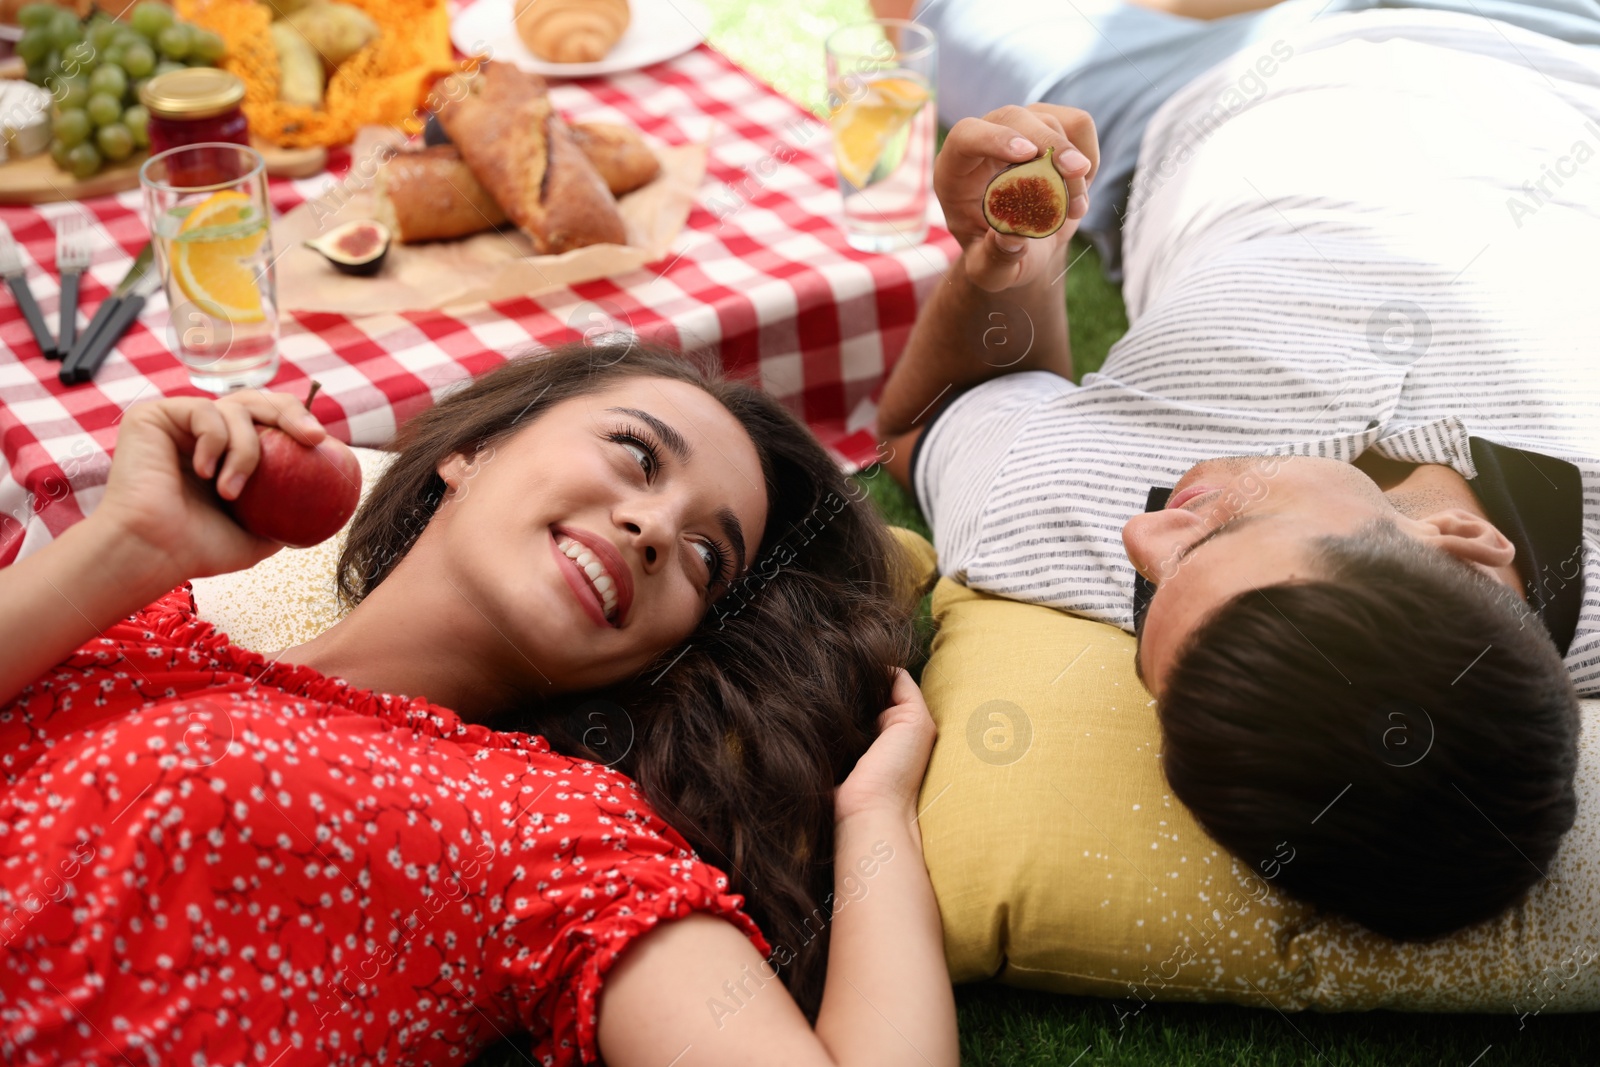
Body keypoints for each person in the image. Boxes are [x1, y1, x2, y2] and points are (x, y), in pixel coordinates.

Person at [0, 342, 958, 1067]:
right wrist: (131, 544)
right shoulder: (140, 630)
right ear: (473, 449)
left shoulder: (557, 831)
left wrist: (874, 815)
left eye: (709, 558)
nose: (657, 527)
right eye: (634, 455)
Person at [878, 0, 1600, 940]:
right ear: (1460, 540)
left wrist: (1009, 257)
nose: (1144, 532)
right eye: (1222, 529)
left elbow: (930, 421)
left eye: (1150, 599)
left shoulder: (1066, 526)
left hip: (1192, 97)